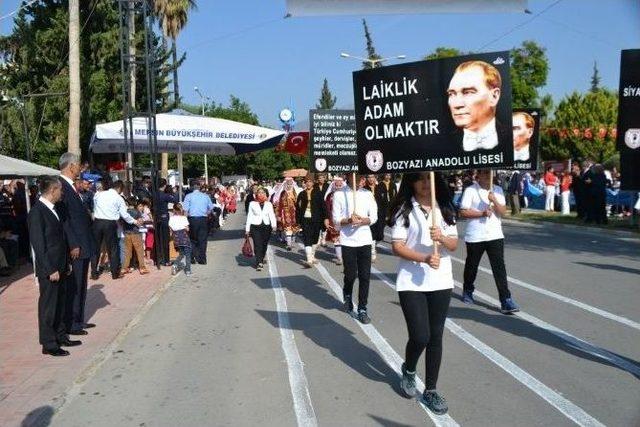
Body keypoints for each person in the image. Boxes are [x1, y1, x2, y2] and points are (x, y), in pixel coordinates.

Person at [388, 172, 458, 415]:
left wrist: (442, 237)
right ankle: (409, 369)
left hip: (441, 281)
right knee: (420, 336)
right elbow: (397, 247)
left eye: (428, 179)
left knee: (436, 336)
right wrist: (425, 258)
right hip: (411, 282)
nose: (425, 183)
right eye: (419, 179)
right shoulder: (404, 210)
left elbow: (454, 244)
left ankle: (430, 389)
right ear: (411, 182)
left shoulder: (445, 207)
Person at [28, 176, 81, 356]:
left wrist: (65, 263)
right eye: (60, 190)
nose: (62, 193)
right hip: (49, 268)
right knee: (49, 306)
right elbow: (39, 244)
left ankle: (61, 336)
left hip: (61, 264)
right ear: (52, 191)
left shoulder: (54, 209)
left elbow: (60, 238)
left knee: (60, 303)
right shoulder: (37, 212)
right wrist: (50, 269)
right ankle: (49, 343)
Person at [459, 169, 519, 314]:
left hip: (495, 235)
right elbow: (463, 211)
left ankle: (506, 299)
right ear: (478, 175)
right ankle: (468, 289)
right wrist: (481, 213)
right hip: (475, 235)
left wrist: (494, 200)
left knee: (499, 267)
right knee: (472, 265)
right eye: (484, 173)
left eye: (489, 173)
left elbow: (503, 212)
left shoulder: (497, 190)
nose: (487, 176)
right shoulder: (470, 190)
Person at [56, 153, 97, 336]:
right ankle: (72, 322)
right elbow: (65, 220)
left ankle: (78, 320)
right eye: (78, 166)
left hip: (84, 242)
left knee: (81, 284)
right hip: (76, 246)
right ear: (71, 166)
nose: (80, 169)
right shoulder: (61, 186)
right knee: (75, 285)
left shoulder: (72, 187)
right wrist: (73, 243)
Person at [332, 175, 378, 324]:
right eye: (357, 177)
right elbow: (336, 221)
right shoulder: (339, 194)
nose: (360, 181)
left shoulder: (367, 194)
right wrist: (349, 220)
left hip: (365, 239)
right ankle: (347, 294)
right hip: (348, 241)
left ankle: (363, 308)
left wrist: (365, 220)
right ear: (349, 177)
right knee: (351, 274)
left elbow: (374, 216)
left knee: (365, 276)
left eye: (362, 178)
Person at [447, 60, 509, 152]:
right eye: (452, 94)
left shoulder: (511, 136)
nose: (457, 104)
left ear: (494, 96)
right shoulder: (441, 143)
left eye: (468, 92)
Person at [91, 180, 142, 280]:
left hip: (97, 223)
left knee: (96, 248)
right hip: (110, 223)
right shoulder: (118, 198)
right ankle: (115, 273)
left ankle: (94, 273)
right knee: (113, 249)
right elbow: (125, 215)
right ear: (119, 188)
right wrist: (135, 221)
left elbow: (95, 204)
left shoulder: (99, 195)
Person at [296, 174, 327, 268]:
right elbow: (298, 208)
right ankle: (309, 259)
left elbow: (323, 207)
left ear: (313, 183)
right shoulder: (301, 194)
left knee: (315, 238)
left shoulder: (318, 193)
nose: (308, 184)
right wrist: (298, 221)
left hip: (316, 219)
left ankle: (312, 255)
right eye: (307, 182)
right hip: (305, 218)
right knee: (307, 237)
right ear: (305, 183)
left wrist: (326, 218)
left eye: (310, 182)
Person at [183, 179, 214, 265]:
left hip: (192, 219)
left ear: (192, 187)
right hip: (203, 219)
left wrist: (185, 223)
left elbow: (185, 211)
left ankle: (193, 258)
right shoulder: (205, 196)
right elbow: (211, 208)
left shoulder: (188, 196)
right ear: (199, 186)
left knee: (192, 239)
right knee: (202, 239)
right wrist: (206, 213)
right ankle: (202, 259)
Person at [245, 187, 277, 271]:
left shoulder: (269, 204)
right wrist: (247, 229)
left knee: (264, 244)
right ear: (256, 194)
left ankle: (261, 258)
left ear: (266, 194)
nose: (261, 194)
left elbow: (272, 215)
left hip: (266, 226)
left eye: (263, 193)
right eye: (259, 193)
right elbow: (249, 216)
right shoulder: (252, 203)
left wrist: (274, 225)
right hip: (255, 226)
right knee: (257, 244)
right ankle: (259, 262)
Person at [121, 198, 149, 275]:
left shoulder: (125, 212)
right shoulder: (137, 212)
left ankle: (124, 268)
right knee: (139, 251)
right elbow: (140, 222)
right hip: (136, 233)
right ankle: (142, 268)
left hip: (126, 233)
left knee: (127, 252)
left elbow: (121, 222)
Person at [372, 173, 397, 261]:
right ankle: (376, 240)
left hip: (392, 207)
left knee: (394, 225)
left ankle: (396, 242)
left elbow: (395, 195)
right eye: (386, 175)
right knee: (381, 226)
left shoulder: (393, 184)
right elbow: (379, 197)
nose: (388, 177)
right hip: (382, 208)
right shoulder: (380, 185)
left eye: (389, 175)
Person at [155, 178, 175, 266]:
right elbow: (175, 199)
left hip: (156, 218)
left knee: (158, 239)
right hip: (164, 218)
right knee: (165, 239)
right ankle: (166, 260)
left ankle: (158, 259)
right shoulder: (165, 195)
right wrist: (172, 192)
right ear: (165, 185)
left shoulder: (154, 194)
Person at [276, 177, 300, 251]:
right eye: (287, 184)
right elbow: (280, 204)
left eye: (290, 184)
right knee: (287, 227)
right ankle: (289, 244)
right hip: (285, 213)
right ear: (285, 184)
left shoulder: (295, 192)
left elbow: (298, 203)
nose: (289, 185)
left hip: (294, 212)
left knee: (294, 228)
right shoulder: (283, 193)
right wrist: (279, 215)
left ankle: (291, 240)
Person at [169, 203, 192, 276]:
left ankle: (175, 265)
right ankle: (188, 270)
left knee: (181, 254)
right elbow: (187, 229)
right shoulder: (184, 218)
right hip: (184, 237)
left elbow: (170, 230)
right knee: (188, 254)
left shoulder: (171, 218)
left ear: (174, 210)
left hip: (176, 238)